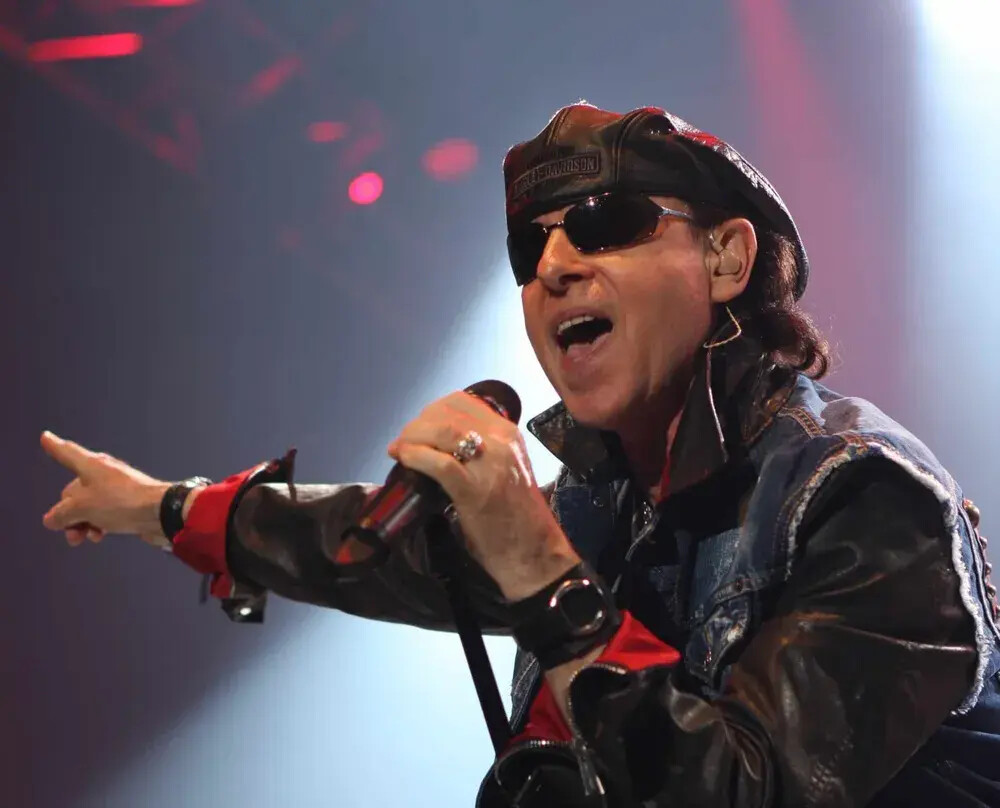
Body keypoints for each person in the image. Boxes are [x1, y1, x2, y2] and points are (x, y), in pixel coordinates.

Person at [40, 104, 1000, 807]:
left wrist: (544, 577)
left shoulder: (866, 499)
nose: (552, 266)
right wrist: (162, 506)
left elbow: (742, 790)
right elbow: (366, 550)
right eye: (527, 247)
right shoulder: (601, 503)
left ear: (726, 260)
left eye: (606, 223)